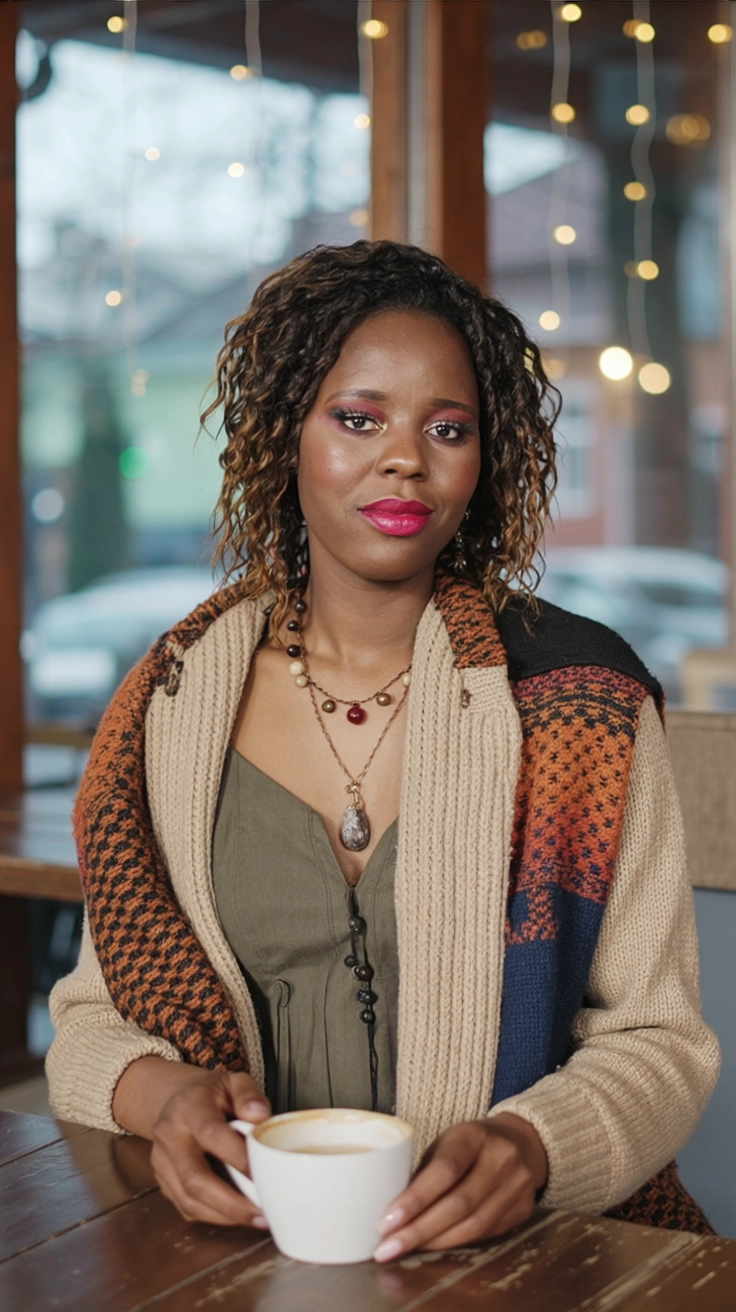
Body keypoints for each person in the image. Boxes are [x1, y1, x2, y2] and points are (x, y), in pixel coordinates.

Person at [48, 240, 719, 1259]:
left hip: (525, 1262)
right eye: (358, 419)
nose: (405, 458)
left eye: (447, 428)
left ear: (483, 460)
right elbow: (91, 1022)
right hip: (240, 1253)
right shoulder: (173, 703)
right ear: (284, 433)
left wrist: (535, 1145)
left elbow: (660, 1039)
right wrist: (164, 1098)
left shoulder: (582, 701)